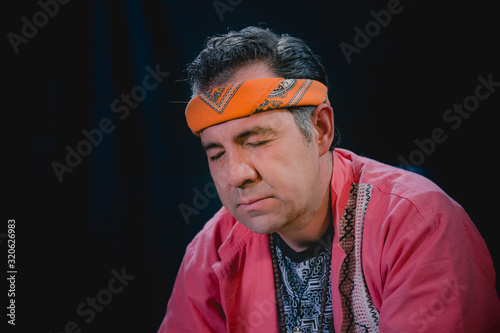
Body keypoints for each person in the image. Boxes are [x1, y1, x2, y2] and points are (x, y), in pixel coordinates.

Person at [158, 26, 500, 333]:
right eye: (216, 153)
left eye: (258, 141)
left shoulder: (419, 223)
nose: (236, 174)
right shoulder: (213, 250)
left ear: (321, 129)